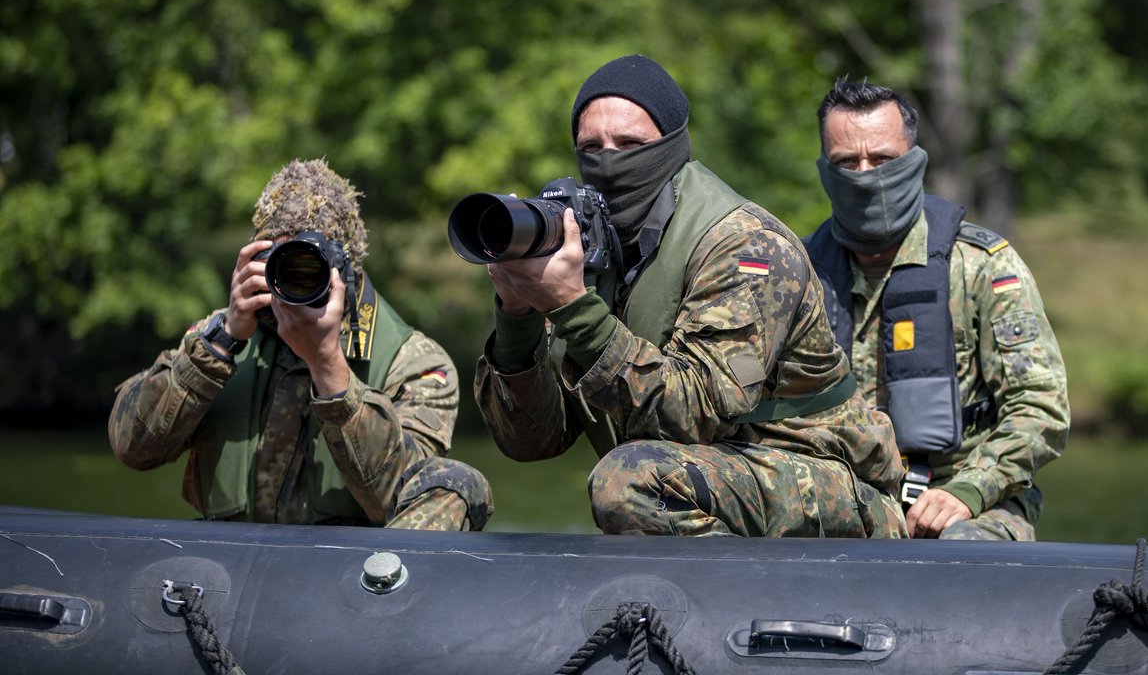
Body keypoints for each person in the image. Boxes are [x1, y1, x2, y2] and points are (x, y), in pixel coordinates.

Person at [473, 55, 907, 538]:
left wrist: (575, 308)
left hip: (833, 487)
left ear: (671, 146)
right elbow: (531, 441)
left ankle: (730, 610)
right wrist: (519, 313)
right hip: (720, 482)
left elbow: (694, 415)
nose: (609, 161)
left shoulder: (745, 246)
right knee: (634, 476)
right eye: (591, 147)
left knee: (628, 480)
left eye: (630, 144)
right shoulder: (595, 250)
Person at [110, 159, 492, 531]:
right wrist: (222, 342)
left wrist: (328, 365)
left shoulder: (414, 364)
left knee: (459, 481)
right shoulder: (221, 339)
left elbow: (398, 501)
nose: (292, 278)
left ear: (346, 269)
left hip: (343, 577)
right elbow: (133, 448)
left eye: (308, 265)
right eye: (277, 260)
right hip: (231, 568)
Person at [804, 78, 1070, 540]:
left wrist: (970, 490)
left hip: (969, 495)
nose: (865, 174)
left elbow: (1040, 408)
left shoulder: (983, 267)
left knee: (956, 556)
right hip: (843, 496)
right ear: (826, 170)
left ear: (912, 161)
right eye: (846, 162)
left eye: (883, 159)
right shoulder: (797, 274)